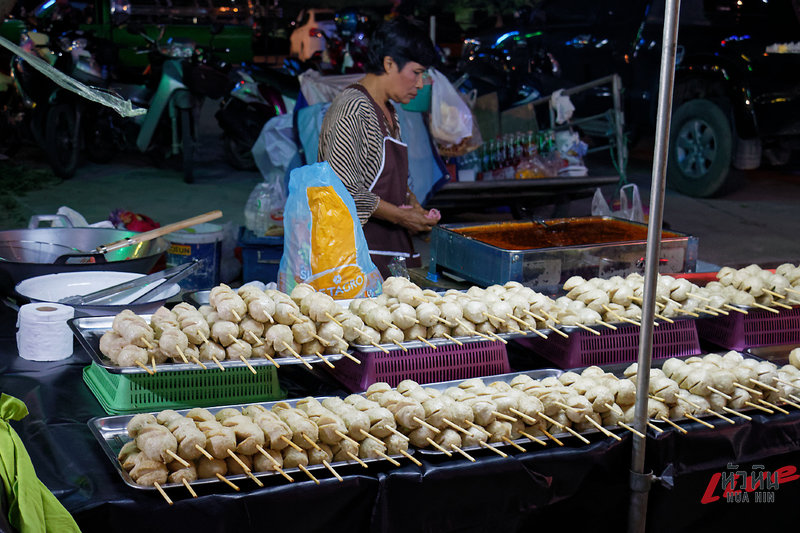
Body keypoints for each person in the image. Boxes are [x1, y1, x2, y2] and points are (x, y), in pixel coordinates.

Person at [317, 18, 440, 278]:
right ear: (388, 63)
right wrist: (400, 217)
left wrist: (412, 205)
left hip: (386, 254)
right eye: (416, 73)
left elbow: (385, 177)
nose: (420, 84)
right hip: (354, 261)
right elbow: (342, 190)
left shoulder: (389, 110)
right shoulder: (353, 108)